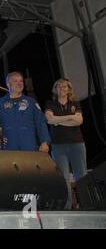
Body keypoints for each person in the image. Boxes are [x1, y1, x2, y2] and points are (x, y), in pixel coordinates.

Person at [45, 78, 87, 209]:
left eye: (64, 87)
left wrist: (58, 120)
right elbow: (50, 120)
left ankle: (86, 203)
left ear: (69, 89)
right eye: (59, 87)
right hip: (58, 145)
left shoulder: (75, 103)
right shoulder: (50, 103)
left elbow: (79, 121)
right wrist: (71, 117)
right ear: (55, 89)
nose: (62, 89)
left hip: (77, 143)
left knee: (81, 175)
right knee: (63, 178)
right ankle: (67, 206)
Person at [0, 71, 50, 152]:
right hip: (8, 143)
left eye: (21, 81)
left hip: (29, 143)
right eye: (15, 81)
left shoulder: (31, 102)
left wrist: (44, 142)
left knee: (30, 164)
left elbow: (40, 122)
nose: (19, 83)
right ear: (8, 84)